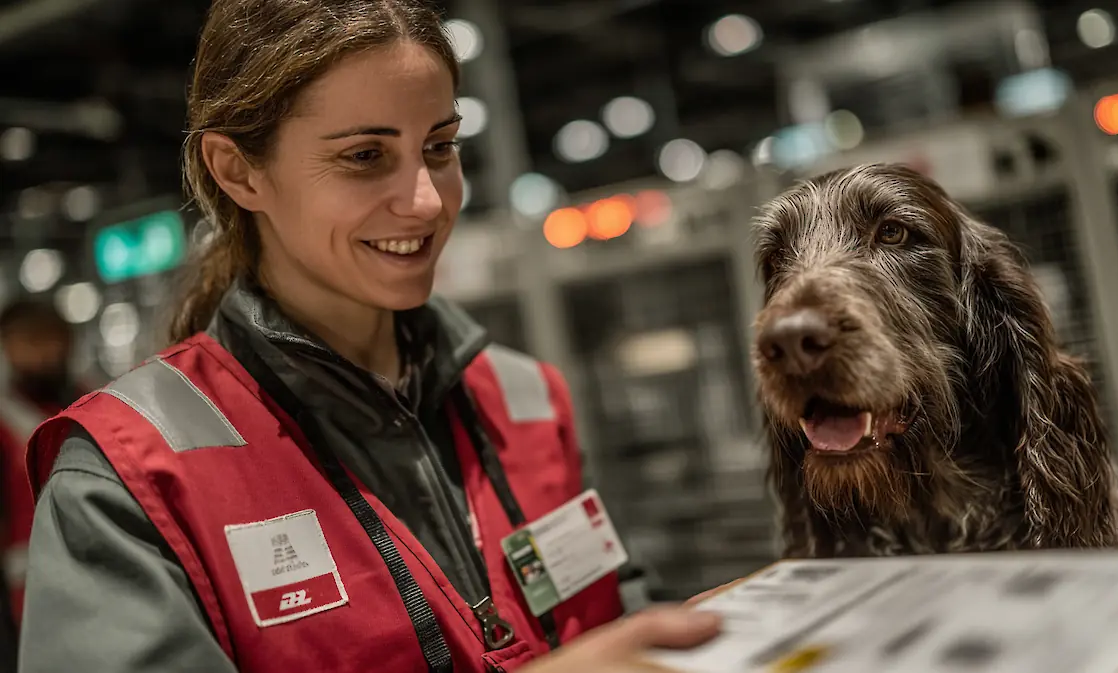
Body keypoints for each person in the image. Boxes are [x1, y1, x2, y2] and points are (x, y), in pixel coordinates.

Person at [17, 1, 719, 671]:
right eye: (363, 156)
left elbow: (615, 606)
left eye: (440, 146)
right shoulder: (129, 478)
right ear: (237, 171)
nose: (428, 199)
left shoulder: (523, 398)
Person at [0, 300, 78, 633]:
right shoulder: (5, 425)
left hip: (94, 583)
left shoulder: (93, 405)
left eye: (51, 338)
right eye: (30, 340)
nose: (44, 352)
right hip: (23, 603)